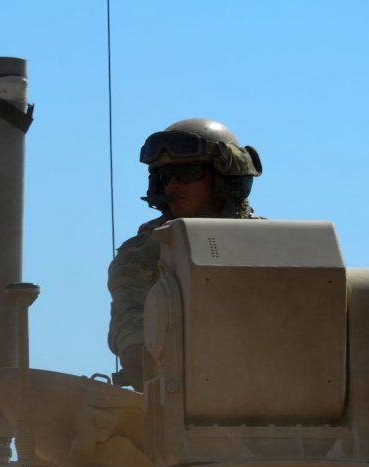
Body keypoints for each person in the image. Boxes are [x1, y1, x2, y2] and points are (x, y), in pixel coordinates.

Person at [108, 118, 262, 390]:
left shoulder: (271, 246)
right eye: (165, 177)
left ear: (224, 179)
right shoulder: (144, 253)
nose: (173, 186)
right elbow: (135, 347)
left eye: (187, 173)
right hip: (179, 399)